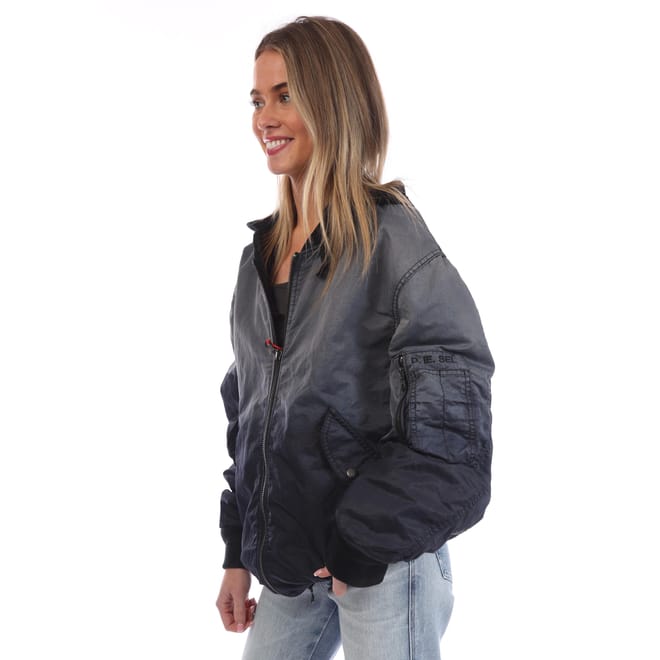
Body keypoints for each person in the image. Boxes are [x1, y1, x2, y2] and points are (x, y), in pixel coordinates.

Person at [216, 16, 494, 660]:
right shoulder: (259, 259)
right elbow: (248, 414)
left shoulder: (391, 239)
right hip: (293, 559)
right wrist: (237, 551)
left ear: (334, 103)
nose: (264, 118)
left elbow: (453, 424)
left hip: (384, 559)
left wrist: (362, 540)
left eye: (285, 95)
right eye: (257, 100)